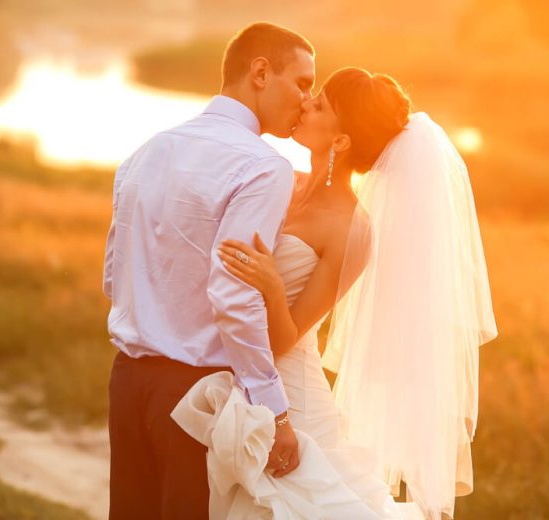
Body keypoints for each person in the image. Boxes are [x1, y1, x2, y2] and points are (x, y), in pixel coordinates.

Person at [180, 67, 498, 518]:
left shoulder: (353, 227)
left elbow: (287, 339)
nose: (306, 103)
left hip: (293, 399)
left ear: (342, 141)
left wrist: (271, 287)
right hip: (241, 375)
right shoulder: (278, 182)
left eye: (321, 104)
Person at [102, 22, 316, 519]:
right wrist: (275, 411)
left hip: (127, 382)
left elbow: (114, 274)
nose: (307, 100)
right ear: (260, 72)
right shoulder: (264, 167)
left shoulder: (148, 149)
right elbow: (234, 296)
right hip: (196, 398)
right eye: (302, 82)